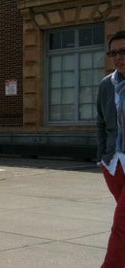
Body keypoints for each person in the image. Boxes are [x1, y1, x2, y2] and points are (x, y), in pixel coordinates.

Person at [96, 30, 125, 268]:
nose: (118, 57)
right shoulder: (107, 84)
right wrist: (102, 157)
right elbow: (101, 123)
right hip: (114, 164)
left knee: (121, 224)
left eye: (123, 51)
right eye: (113, 52)